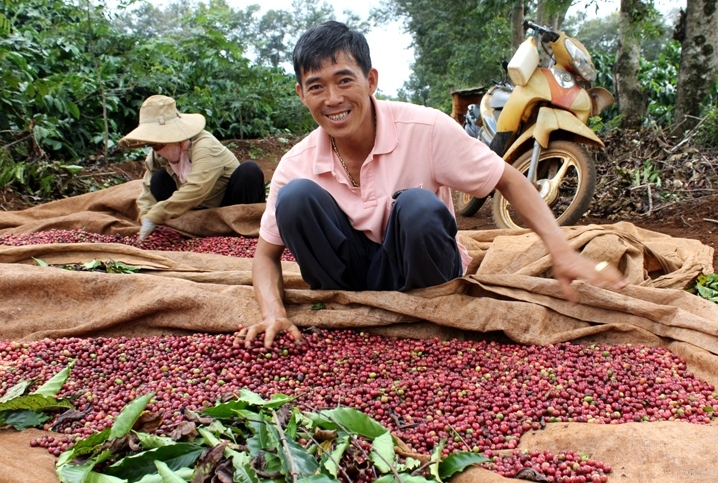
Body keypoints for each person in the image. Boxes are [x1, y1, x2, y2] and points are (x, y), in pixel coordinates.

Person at [240, 21, 626, 348]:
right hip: (347, 284)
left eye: (344, 80)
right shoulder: (296, 162)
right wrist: (273, 312)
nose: (333, 99)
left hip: (426, 276)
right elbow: (264, 255)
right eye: (316, 86)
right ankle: (358, 313)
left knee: (418, 208)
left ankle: (424, 314)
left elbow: (509, 179)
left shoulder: (424, 128)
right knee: (295, 198)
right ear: (301, 94)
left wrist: (560, 250)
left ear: (371, 80)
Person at [119, 95, 266, 240]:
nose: (155, 149)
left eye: (158, 143)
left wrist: (156, 214)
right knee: (158, 179)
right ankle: (188, 227)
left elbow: (196, 188)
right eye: (152, 144)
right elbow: (147, 191)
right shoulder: (156, 156)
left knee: (249, 171)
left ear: (173, 136)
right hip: (193, 211)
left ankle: (243, 230)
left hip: (227, 203)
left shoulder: (204, 146)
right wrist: (145, 216)